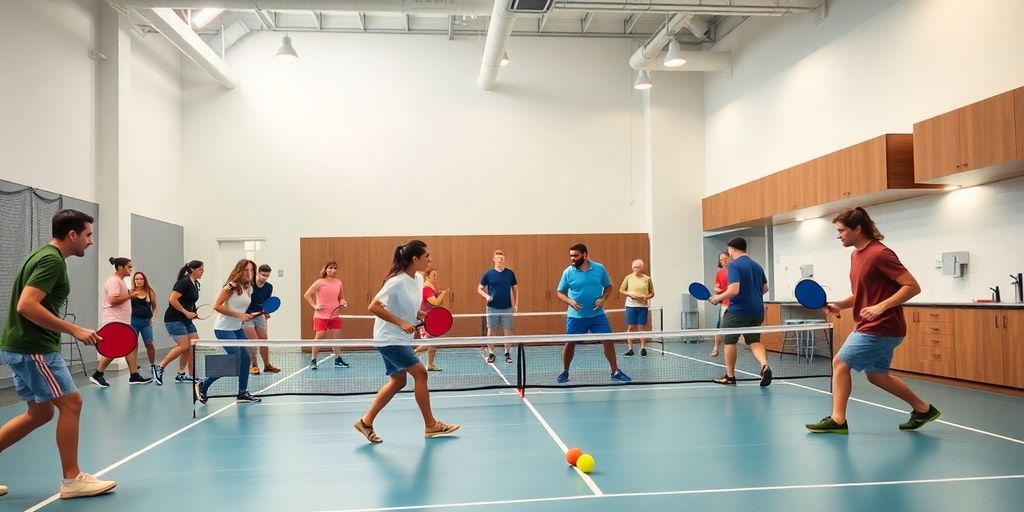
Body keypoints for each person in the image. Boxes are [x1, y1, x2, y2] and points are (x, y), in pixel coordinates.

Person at [0, 209, 117, 498]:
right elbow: (26, 305)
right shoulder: (51, 261)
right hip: (35, 348)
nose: (90, 241)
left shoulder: (41, 255)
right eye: (88, 235)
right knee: (72, 404)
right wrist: (73, 329)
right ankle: (72, 479)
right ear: (72, 234)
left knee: (39, 414)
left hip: (20, 346)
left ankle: (72, 478)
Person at [806, 207, 939, 434]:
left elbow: (912, 286)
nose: (838, 235)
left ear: (857, 229)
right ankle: (923, 409)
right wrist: (841, 304)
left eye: (841, 230)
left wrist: (881, 307)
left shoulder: (880, 254)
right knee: (877, 376)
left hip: (882, 326)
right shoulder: (856, 255)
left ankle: (838, 420)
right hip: (875, 326)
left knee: (840, 363)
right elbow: (864, 293)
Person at [353, 240, 460, 443]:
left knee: (398, 381)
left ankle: (365, 422)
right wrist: (401, 322)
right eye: (426, 256)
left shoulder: (418, 278)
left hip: (399, 337)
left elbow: (407, 306)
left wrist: (420, 315)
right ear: (415, 258)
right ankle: (431, 425)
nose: (430, 259)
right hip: (389, 338)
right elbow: (373, 306)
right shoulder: (396, 281)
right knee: (421, 374)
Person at [555, 244, 631, 384]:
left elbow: (608, 287)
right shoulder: (568, 272)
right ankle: (565, 371)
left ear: (584, 255)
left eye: (575, 255)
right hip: (576, 316)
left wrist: (603, 298)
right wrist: (570, 302)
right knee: (570, 343)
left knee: (608, 340)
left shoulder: (599, 269)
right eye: (571, 255)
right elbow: (560, 292)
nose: (572, 258)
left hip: (597, 315)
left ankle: (615, 371)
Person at [195, 259, 261, 404]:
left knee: (246, 358)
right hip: (223, 329)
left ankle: (242, 393)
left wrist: (250, 314)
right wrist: (239, 316)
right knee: (235, 358)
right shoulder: (231, 286)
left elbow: (240, 307)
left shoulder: (248, 287)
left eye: (251, 270)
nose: (249, 273)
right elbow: (217, 306)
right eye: (246, 270)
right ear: (239, 271)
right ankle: (202, 386)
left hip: (237, 328)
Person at [709, 237, 773, 386]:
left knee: (730, 341)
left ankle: (730, 377)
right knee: (754, 340)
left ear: (732, 249)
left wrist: (718, 297)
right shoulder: (757, 265)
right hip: (757, 311)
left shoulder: (734, 266)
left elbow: (734, 290)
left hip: (738, 311)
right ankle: (765, 365)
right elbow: (765, 289)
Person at [91, 257, 152, 387]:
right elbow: (112, 300)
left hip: (121, 320)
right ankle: (97, 374)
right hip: (115, 320)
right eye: (129, 267)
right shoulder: (114, 281)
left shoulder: (120, 281)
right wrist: (130, 295)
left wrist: (128, 294)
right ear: (120, 268)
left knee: (131, 344)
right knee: (117, 348)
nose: (131, 269)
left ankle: (134, 375)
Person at [153, 260, 204, 385]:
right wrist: (186, 312)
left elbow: (190, 301)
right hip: (174, 319)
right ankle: (159, 368)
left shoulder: (195, 283)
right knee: (184, 345)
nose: (203, 272)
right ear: (193, 270)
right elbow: (172, 299)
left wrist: (194, 312)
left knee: (193, 344)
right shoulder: (184, 282)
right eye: (201, 269)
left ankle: (182, 374)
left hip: (186, 320)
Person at [303, 260, 349, 370]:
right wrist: (314, 306)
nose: (332, 270)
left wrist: (343, 302)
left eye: (334, 268)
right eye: (330, 268)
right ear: (325, 269)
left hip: (334, 315)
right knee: (319, 337)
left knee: (336, 337)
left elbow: (341, 297)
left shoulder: (338, 283)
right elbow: (307, 295)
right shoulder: (319, 282)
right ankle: (313, 361)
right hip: (321, 316)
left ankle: (338, 360)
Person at [477, 249, 518, 364]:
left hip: (507, 307)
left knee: (507, 331)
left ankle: (507, 353)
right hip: (492, 307)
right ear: (494, 259)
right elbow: (479, 288)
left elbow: (515, 289)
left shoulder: (510, 273)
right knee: (491, 331)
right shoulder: (488, 274)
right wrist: (486, 296)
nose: (500, 260)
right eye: (498, 258)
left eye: (502, 258)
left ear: (504, 260)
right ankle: (491, 353)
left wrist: (516, 303)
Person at [243, 263, 280, 374]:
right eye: (263, 275)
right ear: (258, 273)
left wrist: (266, 312)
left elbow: (266, 302)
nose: (265, 277)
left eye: (267, 275)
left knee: (264, 340)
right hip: (247, 316)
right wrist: (244, 314)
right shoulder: (249, 284)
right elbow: (243, 300)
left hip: (259, 315)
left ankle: (267, 365)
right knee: (253, 342)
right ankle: (253, 365)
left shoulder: (269, 287)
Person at [414, 268, 448, 371]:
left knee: (433, 343)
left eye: (436, 275)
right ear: (427, 276)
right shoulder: (426, 288)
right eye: (434, 275)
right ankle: (409, 356)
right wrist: (443, 293)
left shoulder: (432, 287)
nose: (436, 277)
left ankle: (430, 365)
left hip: (432, 319)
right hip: (425, 319)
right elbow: (435, 302)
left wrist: (439, 293)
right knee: (428, 343)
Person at [620, 259, 655, 357]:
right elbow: (621, 290)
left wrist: (647, 297)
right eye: (634, 267)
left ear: (642, 268)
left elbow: (652, 293)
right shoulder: (628, 278)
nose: (636, 269)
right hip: (631, 305)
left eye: (638, 267)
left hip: (642, 306)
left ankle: (643, 348)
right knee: (631, 326)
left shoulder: (647, 279)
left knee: (641, 327)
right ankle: (630, 349)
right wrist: (630, 293)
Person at [130, 270, 160, 376]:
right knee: (133, 344)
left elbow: (154, 307)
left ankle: (152, 365)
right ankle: (133, 367)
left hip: (146, 322)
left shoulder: (149, 291)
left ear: (144, 280)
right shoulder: (131, 292)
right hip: (133, 321)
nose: (139, 281)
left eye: (141, 279)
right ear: (134, 280)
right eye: (137, 279)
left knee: (149, 343)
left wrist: (153, 318)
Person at [710, 251, 731, 357]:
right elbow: (717, 288)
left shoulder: (735, 271)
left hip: (736, 305)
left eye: (725, 258)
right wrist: (716, 290)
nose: (723, 261)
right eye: (721, 259)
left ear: (730, 257)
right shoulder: (719, 273)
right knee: (719, 327)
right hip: (724, 304)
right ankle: (716, 348)